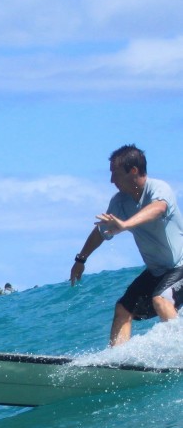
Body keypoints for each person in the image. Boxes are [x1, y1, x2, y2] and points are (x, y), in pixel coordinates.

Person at [70, 145, 183, 345]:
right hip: (158, 271)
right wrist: (81, 258)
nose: (111, 180)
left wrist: (125, 224)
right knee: (123, 309)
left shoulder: (158, 189)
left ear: (133, 171)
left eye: (115, 173)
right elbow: (100, 232)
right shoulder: (120, 202)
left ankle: (179, 353)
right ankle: (116, 363)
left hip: (180, 266)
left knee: (161, 300)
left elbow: (157, 208)